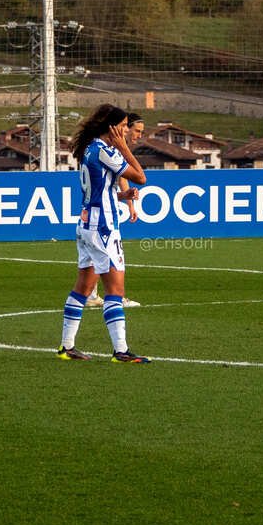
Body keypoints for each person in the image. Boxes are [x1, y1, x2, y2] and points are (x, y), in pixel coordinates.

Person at [57, 104, 151, 363]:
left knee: (84, 287)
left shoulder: (90, 149)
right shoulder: (106, 151)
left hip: (87, 223)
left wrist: (122, 195)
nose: (124, 130)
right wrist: (124, 148)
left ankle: (67, 347)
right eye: (121, 126)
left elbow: (100, 190)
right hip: (103, 228)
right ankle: (120, 350)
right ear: (110, 127)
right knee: (115, 289)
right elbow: (140, 177)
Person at [88, 112, 145, 308]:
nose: (137, 135)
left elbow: (119, 177)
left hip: (93, 212)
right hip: (102, 215)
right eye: (135, 129)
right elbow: (130, 176)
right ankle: (115, 297)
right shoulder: (113, 148)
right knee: (109, 254)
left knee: (97, 252)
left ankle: (92, 294)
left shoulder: (101, 147)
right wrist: (128, 202)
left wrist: (127, 201)